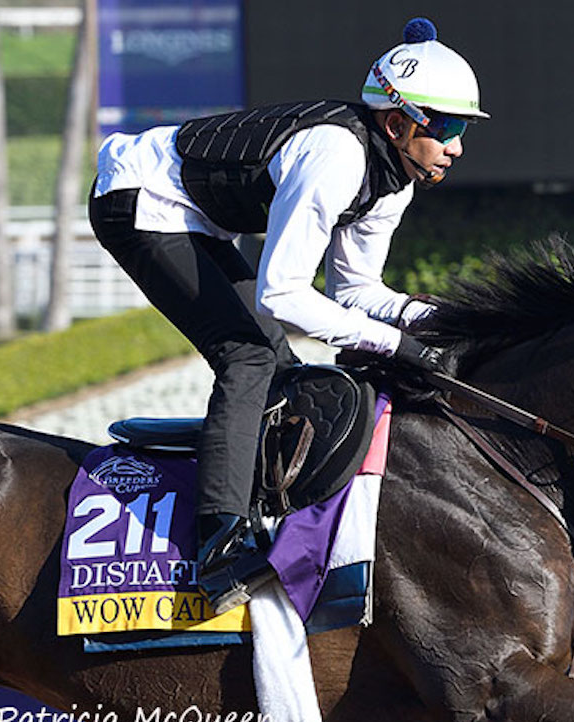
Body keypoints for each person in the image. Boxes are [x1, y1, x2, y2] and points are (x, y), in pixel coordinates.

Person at [88, 17, 488, 614]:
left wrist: (424, 318)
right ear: (398, 122)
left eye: (463, 129)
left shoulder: (395, 181)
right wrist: (395, 345)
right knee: (247, 353)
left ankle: (261, 509)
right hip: (139, 200)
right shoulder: (335, 156)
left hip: (191, 216)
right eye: (449, 127)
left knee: (281, 365)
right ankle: (218, 545)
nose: (457, 145)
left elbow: (354, 292)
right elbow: (283, 294)